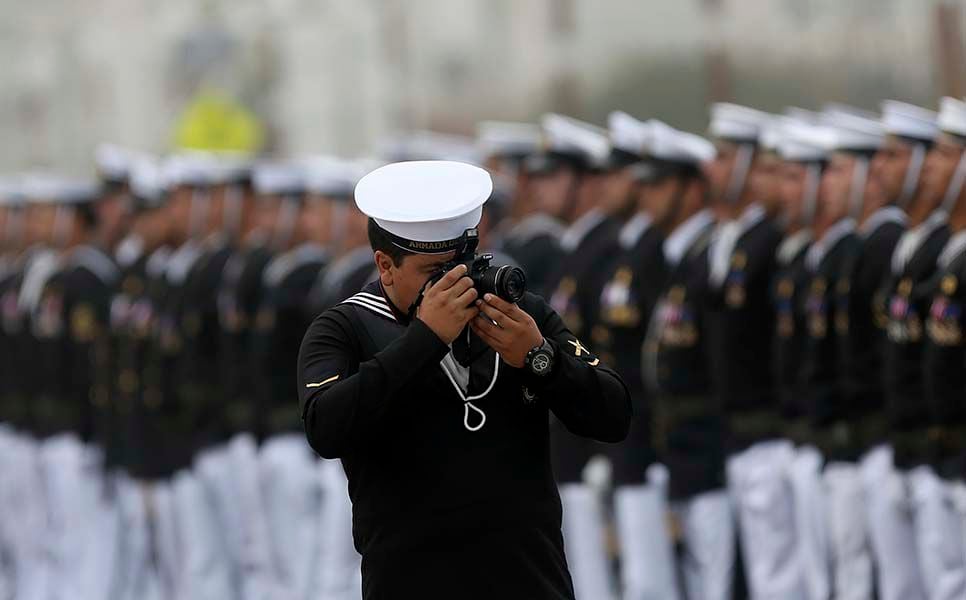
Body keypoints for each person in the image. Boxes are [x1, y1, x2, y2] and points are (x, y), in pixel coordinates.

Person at [297, 160, 631, 599]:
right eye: (435, 274)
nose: (456, 286)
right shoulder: (344, 328)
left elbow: (614, 415)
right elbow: (326, 427)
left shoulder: (519, 314)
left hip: (530, 584)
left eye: (464, 267)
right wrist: (424, 340)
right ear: (385, 265)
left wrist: (538, 357)